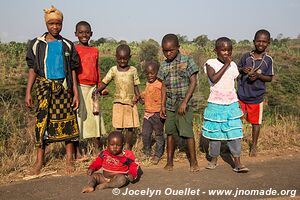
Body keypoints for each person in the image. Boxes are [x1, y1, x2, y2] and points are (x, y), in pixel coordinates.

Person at [25, 6, 79, 175]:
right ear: (46, 24)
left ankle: (69, 159)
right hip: (43, 88)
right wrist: (28, 92)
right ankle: (39, 160)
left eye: (58, 23)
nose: (55, 27)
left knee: (67, 121)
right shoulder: (36, 44)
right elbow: (33, 69)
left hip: (63, 89)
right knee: (42, 123)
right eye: (51, 23)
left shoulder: (67, 45)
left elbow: (72, 70)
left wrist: (75, 93)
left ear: (62, 24)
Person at [202, 37, 249, 173]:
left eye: (229, 50)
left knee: (234, 133)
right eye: (223, 50)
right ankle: (214, 159)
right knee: (215, 134)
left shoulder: (233, 65)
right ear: (216, 50)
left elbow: (235, 79)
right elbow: (214, 78)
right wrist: (226, 64)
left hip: (231, 104)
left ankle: (238, 162)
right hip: (215, 104)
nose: (226, 53)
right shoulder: (210, 63)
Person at [157, 33, 199, 172]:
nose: (168, 53)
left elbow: (193, 81)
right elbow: (163, 86)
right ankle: (169, 162)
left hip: (184, 104)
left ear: (178, 48)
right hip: (169, 104)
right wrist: (162, 105)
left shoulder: (187, 61)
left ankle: (194, 162)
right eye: (165, 51)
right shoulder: (163, 65)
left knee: (187, 132)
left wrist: (184, 102)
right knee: (170, 133)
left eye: (171, 50)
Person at [94, 44, 141, 150]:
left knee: (130, 127)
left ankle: (128, 147)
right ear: (116, 57)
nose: (122, 61)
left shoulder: (133, 70)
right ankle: (117, 147)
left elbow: (136, 84)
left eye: (125, 59)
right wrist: (97, 90)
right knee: (118, 127)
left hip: (130, 103)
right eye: (120, 58)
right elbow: (105, 82)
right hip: (118, 102)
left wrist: (139, 96)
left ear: (130, 57)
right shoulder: (113, 70)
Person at [237, 29, 274, 157]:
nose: (261, 44)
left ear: (268, 43)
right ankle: (236, 145)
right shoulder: (246, 56)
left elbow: (269, 78)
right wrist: (243, 69)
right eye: (258, 41)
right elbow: (237, 70)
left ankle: (254, 146)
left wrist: (258, 77)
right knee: (236, 121)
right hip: (241, 95)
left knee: (256, 123)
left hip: (256, 97)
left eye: (264, 41)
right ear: (254, 41)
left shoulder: (268, 60)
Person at [74, 21, 107, 160]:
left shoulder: (95, 50)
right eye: (81, 32)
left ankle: (97, 150)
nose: (84, 35)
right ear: (76, 34)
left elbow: (97, 69)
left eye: (87, 32)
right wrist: (73, 88)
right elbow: (73, 71)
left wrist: (100, 87)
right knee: (79, 118)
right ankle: (79, 152)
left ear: (91, 34)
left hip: (93, 89)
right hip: (79, 88)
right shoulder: (74, 49)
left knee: (95, 118)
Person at [140, 61, 165, 165]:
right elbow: (146, 93)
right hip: (147, 113)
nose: (150, 76)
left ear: (157, 72)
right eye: (147, 74)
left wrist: (163, 110)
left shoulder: (160, 84)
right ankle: (147, 151)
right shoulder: (147, 84)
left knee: (159, 135)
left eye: (152, 73)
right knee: (145, 134)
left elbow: (164, 96)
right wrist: (140, 97)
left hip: (157, 114)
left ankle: (158, 154)